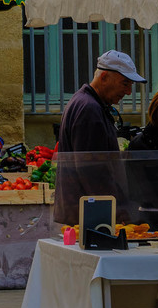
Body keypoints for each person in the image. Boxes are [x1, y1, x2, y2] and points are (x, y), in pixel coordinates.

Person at [51, 50, 142, 227]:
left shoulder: (87, 103)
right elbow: (91, 170)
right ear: (104, 77)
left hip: (85, 212)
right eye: (125, 83)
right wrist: (117, 211)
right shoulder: (89, 109)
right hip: (89, 216)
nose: (129, 92)